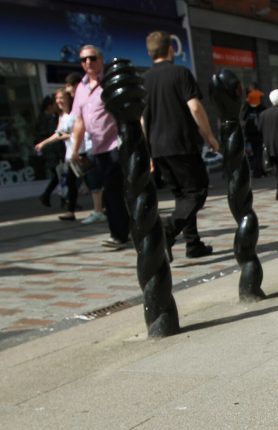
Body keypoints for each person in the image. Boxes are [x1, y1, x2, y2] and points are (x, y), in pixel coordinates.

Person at [142, 30, 219, 259]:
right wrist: (209, 136)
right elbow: (195, 107)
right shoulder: (180, 73)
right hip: (181, 143)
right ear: (170, 49)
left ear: (149, 52)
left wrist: (149, 153)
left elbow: (143, 119)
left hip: (158, 147)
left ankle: (193, 244)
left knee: (182, 196)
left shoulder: (144, 80)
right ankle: (167, 231)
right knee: (197, 191)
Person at [70, 44, 131, 250]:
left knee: (113, 192)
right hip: (97, 149)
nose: (88, 62)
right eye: (83, 59)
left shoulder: (110, 82)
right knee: (110, 192)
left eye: (92, 58)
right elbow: (79, 122)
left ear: (101, 60)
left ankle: (120, 234)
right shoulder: (81, 88)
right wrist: (75, 150)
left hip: (115, 145)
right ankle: (122, 231)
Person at [35, 89, 104, 223]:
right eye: (57, 98)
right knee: (72, 183)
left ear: (68, 99)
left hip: (82, 153)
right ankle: (71, 211)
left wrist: (70, 136)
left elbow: (78, 131)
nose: (58, 101)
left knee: (93, 182)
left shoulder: (76, 113)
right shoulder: (62, 116)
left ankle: (100, 210)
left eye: (61, 98)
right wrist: (43, 143)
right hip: (71, 155)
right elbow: (59, 133)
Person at [35, 95, 62, 207]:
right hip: (50, 151)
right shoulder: (45, 119)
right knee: (58, 176)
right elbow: (50, 134)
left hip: (53, 151)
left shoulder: (52, 117)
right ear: (49, 106)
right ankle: (47, 195)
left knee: (59, 176)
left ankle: (64, 199)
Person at [242, 84, 267, 179]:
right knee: (256, 153)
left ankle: (258, 170)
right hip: (253, 134)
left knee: (256, 153)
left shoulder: (250, 108)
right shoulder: (250, 107)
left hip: (255, 133)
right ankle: (257, 170)